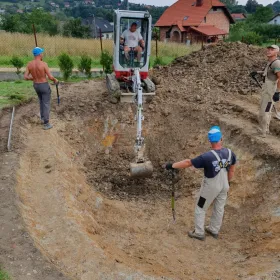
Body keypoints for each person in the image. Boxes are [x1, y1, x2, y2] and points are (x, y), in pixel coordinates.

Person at [165, 126, 237, 241]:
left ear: (210, 141)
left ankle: (199, 232)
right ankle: (214, 230)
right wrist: (228, 183)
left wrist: (172, 165)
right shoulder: (230, 153)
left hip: (211, 186)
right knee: (219, 208)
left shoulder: (207, 157)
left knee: (200, 207)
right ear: (221, 139)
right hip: (225, 184)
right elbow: (232, 170)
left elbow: (188, 162)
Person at [24, 47, 58, 130]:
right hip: (44, 85)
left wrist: (34, 78)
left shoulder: (29, 64)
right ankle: (46, 123)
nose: (42, 54)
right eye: (42, 53)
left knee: (41, 101)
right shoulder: (44, 64)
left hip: (36, 85)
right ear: (39, 54)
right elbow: (50, 77)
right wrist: (55, 80)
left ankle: (42, 118)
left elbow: (25, 77)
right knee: (46, 103)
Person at [255, 45, 280, 138]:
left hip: (270, 92)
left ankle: (263, 132)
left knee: (264, 111)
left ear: (276, 52)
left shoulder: (277, 63)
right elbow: (269, 73)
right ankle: (265, 129)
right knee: (265, 110)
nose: (269, 51)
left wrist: (277, 92)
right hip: (266, 90)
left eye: (272, 49)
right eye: (268, 49)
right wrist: (258, 72)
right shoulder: (270, 62)